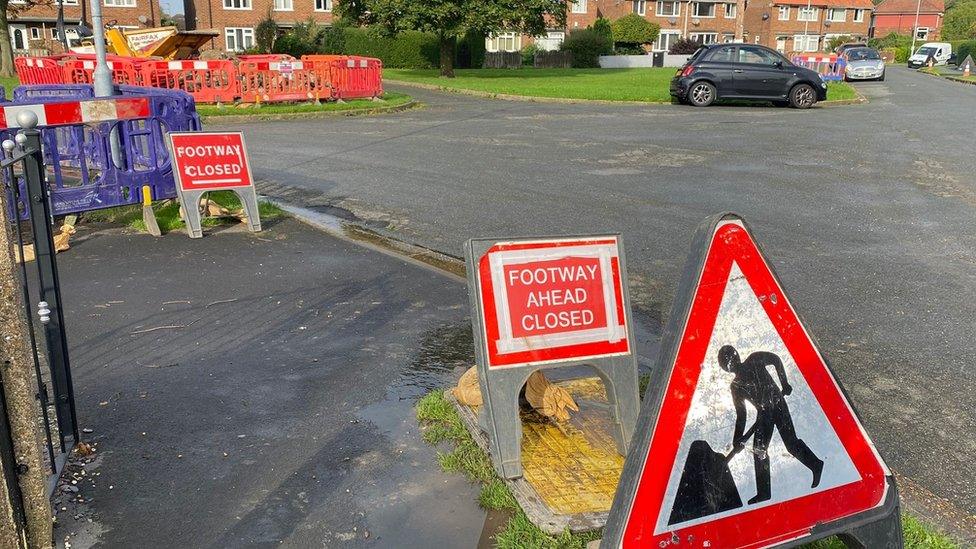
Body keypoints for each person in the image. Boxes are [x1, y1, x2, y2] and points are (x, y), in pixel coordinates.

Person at [718, 345, 824, 504]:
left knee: (791, 443)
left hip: (778, 404)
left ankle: (816, 464)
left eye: (729, 359)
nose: (730, 363)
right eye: (726, 362)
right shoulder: (736, 386)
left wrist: (784, 383)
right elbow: (742, 415)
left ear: (736, 356)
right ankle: (764, 493)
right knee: (759, 450)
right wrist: (737, 439)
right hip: (763, 416)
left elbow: (776, 359)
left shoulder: (754, 359)